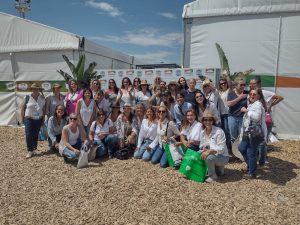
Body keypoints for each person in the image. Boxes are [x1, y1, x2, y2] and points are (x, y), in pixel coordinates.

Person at [238, 88, 267, 179]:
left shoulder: (258, 104)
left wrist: (246, 111)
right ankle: (251, 166)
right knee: (241, 148)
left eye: (254, 94)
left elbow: (256, 117)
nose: (252, 96)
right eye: (250, 94)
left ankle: (252, 173)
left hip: (254, 133)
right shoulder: (252, 104)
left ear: (258, 96)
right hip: (248, 132)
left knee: (251, 152)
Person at [199, 111, 229, 183]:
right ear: (203, 121)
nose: (208, 122)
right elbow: (201, 145)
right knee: (195, 154)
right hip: (211, 155)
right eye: (205, 120)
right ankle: (213, 170)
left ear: (213, 121)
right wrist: (204, 149)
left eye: (210, 120)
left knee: (209, 157)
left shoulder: (219, 131)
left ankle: (213, 176)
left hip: (222, 157)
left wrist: (209, 151)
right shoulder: (202, 132)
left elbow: (221, 149)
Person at [21, 83, 46, 158]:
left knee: (36, 134)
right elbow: (22, 108)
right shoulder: (27, 97)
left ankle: (34, 148)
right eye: (34, 88)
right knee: (28, 134)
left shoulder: (42, 98)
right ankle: (30, 150)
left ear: (39, 89)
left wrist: (43, 117)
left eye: (37, 88)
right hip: (29, 118)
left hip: (38, 119)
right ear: (32, 89)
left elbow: (44, 108)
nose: (35, 90)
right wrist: (22, 118)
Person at [227, 78, 249, 144]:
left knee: (242, 136)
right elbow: (229, 104)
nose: (243, 86)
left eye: (244, 85)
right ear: (236, 85)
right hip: (232, 117)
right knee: (233, 137)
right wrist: (240, 97)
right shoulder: (231, 93)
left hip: (243, 118)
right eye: (241, 85)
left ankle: (241, 152)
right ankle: (234, 152)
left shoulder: (247, 93)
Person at [217, 78, 231, 151]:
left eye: (224, 83)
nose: (223, 84)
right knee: (221, 131)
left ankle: (227, 148)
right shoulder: (219, 92)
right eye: (221, 83)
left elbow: (231, 84)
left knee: (227, 132)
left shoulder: (229, 91)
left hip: (227, 114)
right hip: (220, 114)